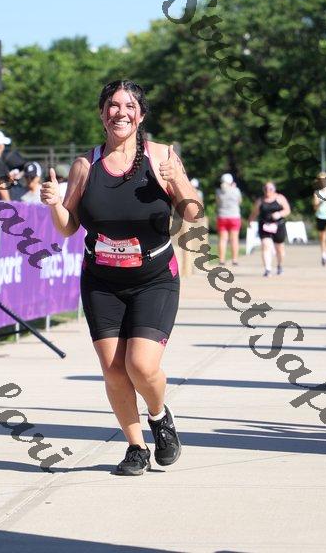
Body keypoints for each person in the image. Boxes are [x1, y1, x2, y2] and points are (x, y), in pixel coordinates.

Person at [41, 80, 200, 476]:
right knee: (114, 370)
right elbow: (68, 226)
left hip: (154, 277)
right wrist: (54, 204)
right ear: (102, 113)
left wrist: (177, 180)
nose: (121, 112)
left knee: (141, 366)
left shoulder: (162, 156)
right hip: (101, 280)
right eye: (113, 105)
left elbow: (194, 213)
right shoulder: (85, 165)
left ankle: (159, 416)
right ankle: (135, 447)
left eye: (130, 106)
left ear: (140, 115)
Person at [248, 181, 291, 277]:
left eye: (270, 188)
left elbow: (287, 210)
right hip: (264, 226)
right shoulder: (260, 200)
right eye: (266, 189)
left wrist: (279, 214)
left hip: (278, 225)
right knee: (265, 245)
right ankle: (267, 269)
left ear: (274, 189)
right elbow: (255, 212)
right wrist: (250, 220)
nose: (268, 190)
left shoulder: (280, 198)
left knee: (279, 248)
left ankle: (279, 265)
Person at [215, 173, 242, 265]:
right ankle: (234, 260)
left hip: (222, 216)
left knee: (223, 239)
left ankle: (222, 260)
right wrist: (233, 188)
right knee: (234, 239)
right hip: (234, 217)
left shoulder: (218, 191)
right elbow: (239, 201)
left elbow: (218, 202)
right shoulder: (236, 190)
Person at [313, 171, 326, 265]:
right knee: (322, 238)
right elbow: (315, 207)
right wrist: (321, 201)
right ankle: (323, 255)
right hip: (320, 216)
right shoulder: (317, 193)